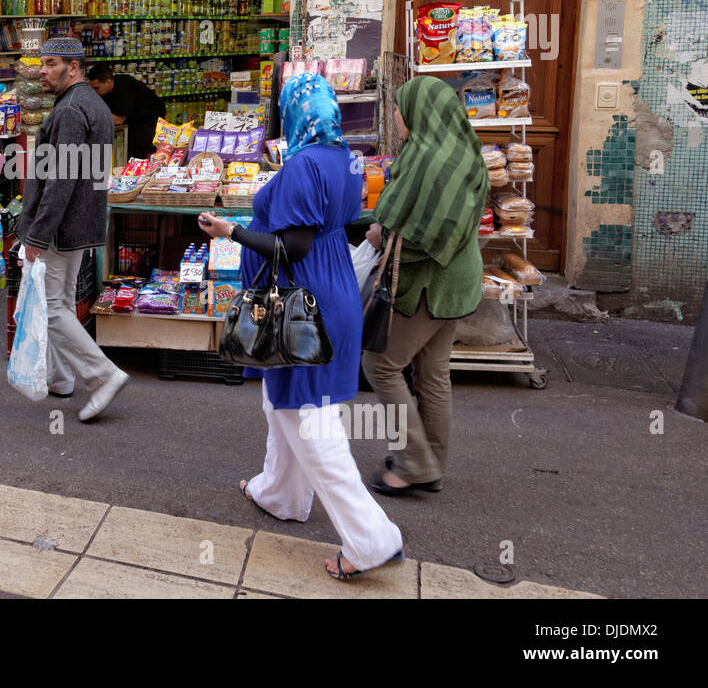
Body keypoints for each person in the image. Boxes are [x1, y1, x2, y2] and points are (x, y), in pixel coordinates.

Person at [198, 72, 403, 581]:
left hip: (301, 300)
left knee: (312, 422)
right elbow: (341, 222)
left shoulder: (302, 166)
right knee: (285, 400)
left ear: (293, 112)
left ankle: (371, 540)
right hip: (335, 292)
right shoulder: (348, 157)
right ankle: (281, 494)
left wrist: (232, 231)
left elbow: (293, 247)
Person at [362, 75, 488, 497]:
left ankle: (415, 462)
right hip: (458, 280)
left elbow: (425, 238)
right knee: (432, 371)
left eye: (399, 108)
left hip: (430, 282)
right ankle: (430, 461)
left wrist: (383, 237)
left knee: (380, 364)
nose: (396, 116)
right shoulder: (458, 147)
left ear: (420, 113)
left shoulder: (432, 160)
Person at [17, 36, 129, 422]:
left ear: (74, 67)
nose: (43, 71)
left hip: (61, 228)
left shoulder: (69, 111)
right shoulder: (93, 105)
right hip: (80, 223)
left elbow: (59, 181)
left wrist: (36, 235)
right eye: (42, 64)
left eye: (51, 64)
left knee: (51, 310)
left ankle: (102, 376)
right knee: (60, 303)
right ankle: (60, 377)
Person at [87, 63, 166, 160]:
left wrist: (90, 120)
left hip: (150, 119)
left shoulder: (125, 87)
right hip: (134, 118)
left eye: (96, 88)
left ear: (108, 82)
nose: (94, 92)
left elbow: (118, 120)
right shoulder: (105, 92)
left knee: (137, 150)